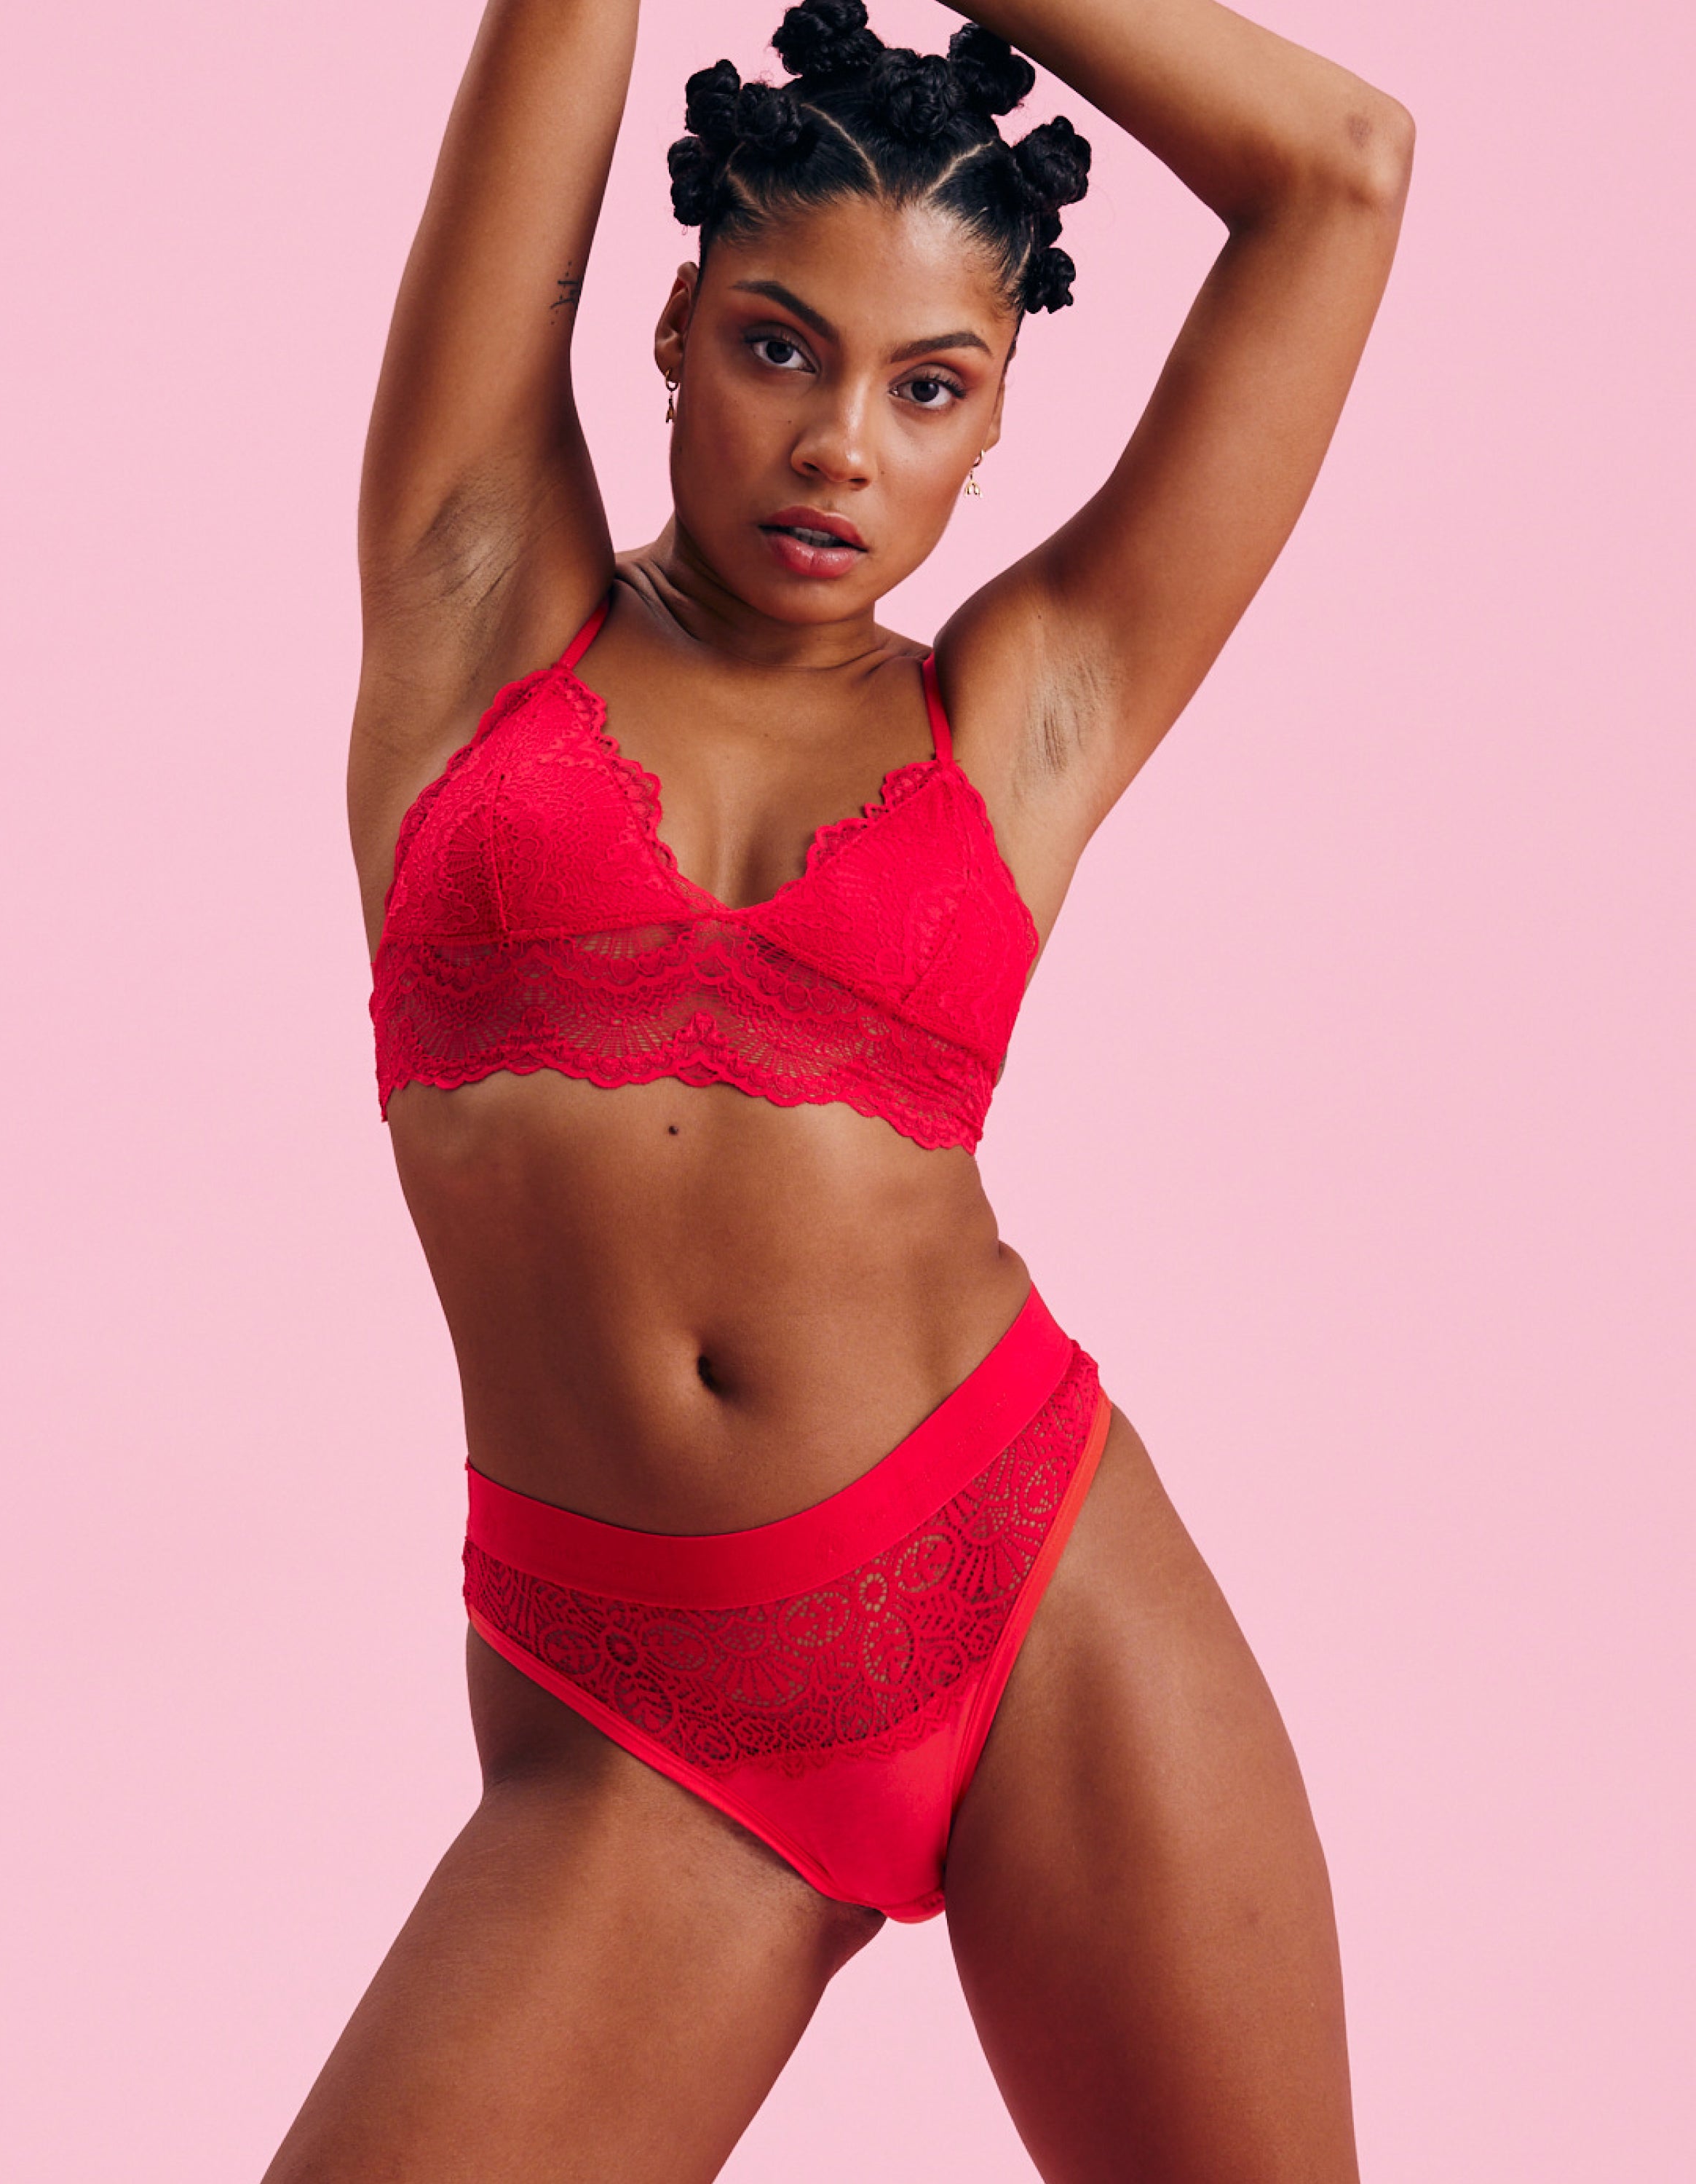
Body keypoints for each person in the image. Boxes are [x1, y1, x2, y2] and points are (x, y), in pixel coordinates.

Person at [266, 0, 1411, 2174]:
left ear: (992, 423)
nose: (841, 449)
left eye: (928, 388)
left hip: (1034, 1577)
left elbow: (1342, 169)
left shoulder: (1029, 712)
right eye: (781, 349)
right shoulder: (479, 598)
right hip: (646, 1702)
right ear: (673, 328)